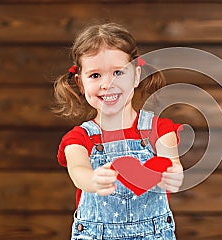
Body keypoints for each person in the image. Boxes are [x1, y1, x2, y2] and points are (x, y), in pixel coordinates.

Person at [53, 22, 183, 240]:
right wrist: (93, 180)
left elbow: (172, 162)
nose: (107, 84)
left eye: (118, 73)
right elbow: (78, 171)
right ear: (81, 83)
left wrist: (172, 176)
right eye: (95, 75)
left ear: (135, 75)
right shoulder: (79, 138)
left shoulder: (159, 129)